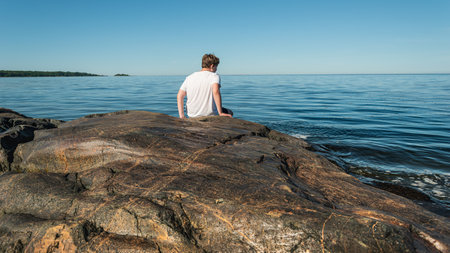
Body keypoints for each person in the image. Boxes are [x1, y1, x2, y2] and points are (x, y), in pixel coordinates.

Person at [177, 54, 233, 119]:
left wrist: (182, 116)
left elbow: (179, 96)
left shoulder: (189, 77)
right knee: (229, 112)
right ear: (212, 66)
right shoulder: (214, 76)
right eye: (216, 67)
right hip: (209, 115)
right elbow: (216, 92)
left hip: (192, 115)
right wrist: (220, 113)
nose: (216, 69)